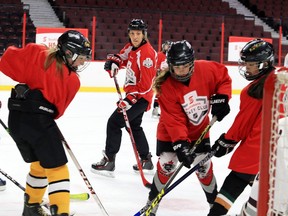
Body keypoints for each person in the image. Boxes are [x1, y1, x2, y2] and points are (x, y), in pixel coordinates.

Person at [0, 30, 91, 216]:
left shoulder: (36, 52)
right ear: (68, 53)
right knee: (57, 168)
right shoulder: (72, 80)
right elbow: (57, 112)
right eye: (80, 57)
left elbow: (6, 60)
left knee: (39, 165)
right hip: (39, 123)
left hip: (16, 120)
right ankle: (61, 212)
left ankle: (31, 208)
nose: (82, 62)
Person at [143, 40, 232, 215]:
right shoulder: (166, 86)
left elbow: (223, 77)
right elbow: (174, 120)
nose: (181, 71)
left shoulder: (206, 69)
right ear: (170, 66)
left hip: (199, 130)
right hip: (170, 133)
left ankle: (214, 205)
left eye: (185, 66)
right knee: (167, 165)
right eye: (177, 67)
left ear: (192, 62)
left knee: (204, 169)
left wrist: (223, 96)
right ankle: (151, 204)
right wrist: (181, 144)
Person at [208, 38, 275, 216]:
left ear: (264, 63)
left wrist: (226, 141)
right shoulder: (280, 80)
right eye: (246, 63)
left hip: (255, 152)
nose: (247, 68)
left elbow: (242, 126)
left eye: (251, 64)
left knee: (234, 184)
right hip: (276, 155)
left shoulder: (254, 90)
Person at [91, 19, 157, 177]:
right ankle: (146, 160)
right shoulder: (131, 47)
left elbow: (147, 85)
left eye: (138, 34)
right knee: (134, 127)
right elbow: (122, 57)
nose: (135, 37)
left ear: (144, 34)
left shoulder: (147, 53)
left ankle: (109, 160)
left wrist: (130, 99)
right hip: (134, 95)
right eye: (132, 33)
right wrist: (115, 64)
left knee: (114, 123)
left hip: (140, 97)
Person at [152, 40, 171, 118]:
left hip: (168, 78)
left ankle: (165, 111)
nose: (167, 47)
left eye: (169, 46)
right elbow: (156, 66)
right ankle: (155, 109)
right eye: (166, 46)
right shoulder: (159, 55)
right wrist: (158, 73)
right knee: (159, 94)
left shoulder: (171, 56)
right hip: (160, 77)